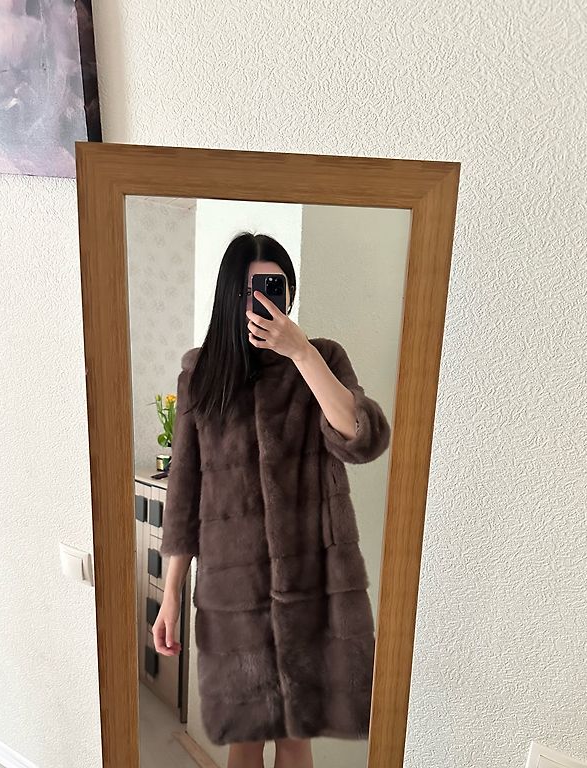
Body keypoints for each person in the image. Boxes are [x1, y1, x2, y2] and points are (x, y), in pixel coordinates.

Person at [152, 232, 391, 768]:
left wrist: (301, 352)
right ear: (230, 296)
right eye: (250, 290)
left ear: (289, 293)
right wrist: (170, 595)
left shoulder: (322, 359)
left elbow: (362, 439)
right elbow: (184, 492)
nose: (262, 301)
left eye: (274, 288)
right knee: (245, 738)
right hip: (232, 593)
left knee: (296, 736)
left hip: (313, 585)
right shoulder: (201, 376)